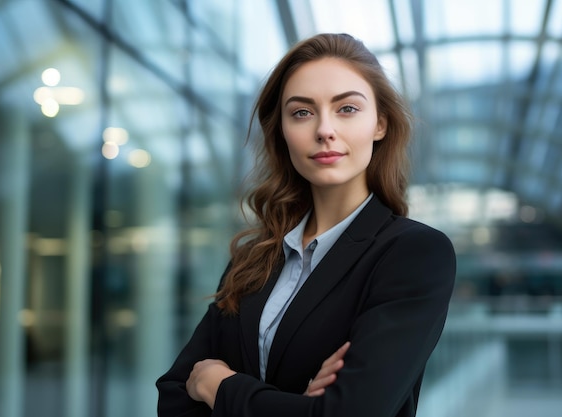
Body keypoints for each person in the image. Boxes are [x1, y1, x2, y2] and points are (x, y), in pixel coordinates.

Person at [156, 33, 456, 417]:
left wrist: (218, 384)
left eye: (347, 108)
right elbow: (174, 395)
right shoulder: (254, 259)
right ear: (281, 131)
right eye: (302, 112)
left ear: (380, 124)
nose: (324, 130)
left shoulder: (414, 254)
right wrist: (295, 404)